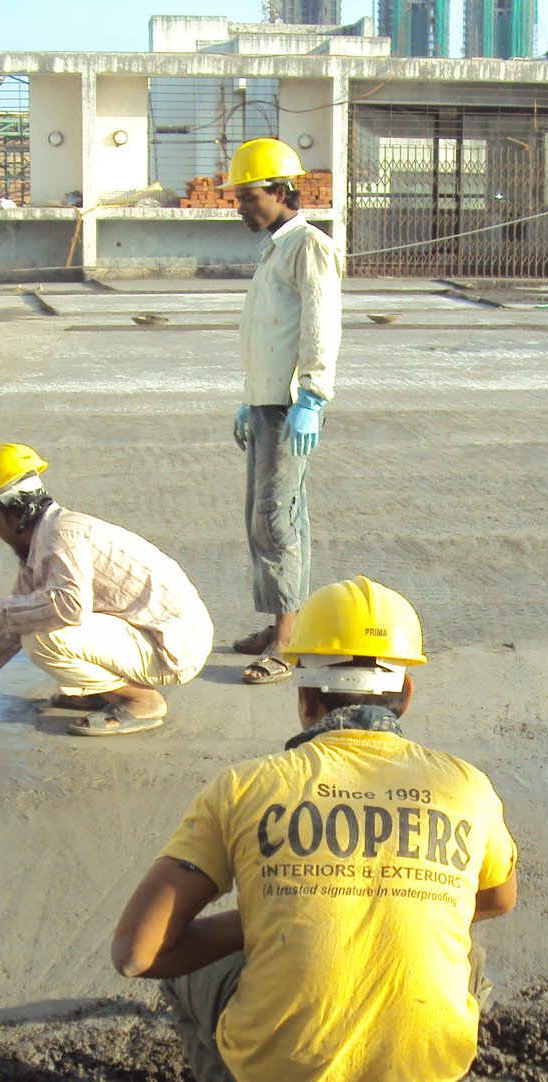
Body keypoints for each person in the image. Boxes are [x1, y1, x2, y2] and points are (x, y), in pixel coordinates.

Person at [110, 577, 520, 1082]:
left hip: (286, 1067)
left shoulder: (244, 788)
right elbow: (498, 898)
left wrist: (265, 921)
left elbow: (137, 952)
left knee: (190, 977)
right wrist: (395, 899)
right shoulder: (464, 786)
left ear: (305, 700)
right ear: (406, 693)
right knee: (453, 956)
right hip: (413, 1065)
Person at [0, 444, 212, 737]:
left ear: (0, 515)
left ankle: (140, 699)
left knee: (42, 638)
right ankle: (102, 691)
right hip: (160, 635)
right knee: (32, 621)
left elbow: (67, 607)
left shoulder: (61, 537)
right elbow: (9, 628)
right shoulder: (46, 543)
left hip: (173, 646)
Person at [224, 137, 343, 687]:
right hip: (269, 403)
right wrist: (252, 397)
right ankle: (278, 622)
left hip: (292, 406)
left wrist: (312, 397)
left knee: (277, 519)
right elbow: (270, 333)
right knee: (264, 515)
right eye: (239, 198)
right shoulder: (277, 249)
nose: (242, 207)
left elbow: (321, 324)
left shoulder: (308, 247)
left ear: (281, 191)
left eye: (249, 197)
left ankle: (287, 639)